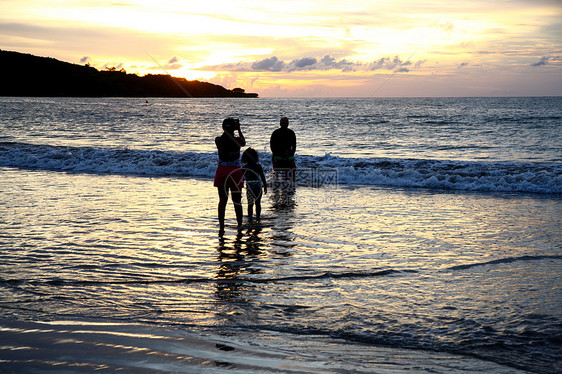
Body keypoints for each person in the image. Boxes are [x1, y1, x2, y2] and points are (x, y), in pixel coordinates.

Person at [214, 118, 245, 235]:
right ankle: (239, 225)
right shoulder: (237, 141)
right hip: (235, 172)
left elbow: (224, 135)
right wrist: (239, 129)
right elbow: (243, 142)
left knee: (222, 201)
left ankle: (221, 226)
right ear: (233, 128)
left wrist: (229, 128)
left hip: (222, 172)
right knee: (237, 201)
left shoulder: (218, 140)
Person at [241, 148, 267, 222]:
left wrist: (240, 187)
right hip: (258, 187)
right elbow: (262, 177)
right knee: (257, 203)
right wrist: (265, 186)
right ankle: (258, 218)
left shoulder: (244, 168)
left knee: (250, 204)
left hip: (250, 188)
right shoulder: (258, 166)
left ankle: (250, 218)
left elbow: (241, 179)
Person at [270, 117, 296, 183]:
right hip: (277, 155)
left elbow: (294, 146)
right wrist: (278, 153)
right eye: (283, 123)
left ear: (288, 124)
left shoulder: (291, 133)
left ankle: (291, 186)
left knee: (291, 174)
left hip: (288, 155)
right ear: (280, 124)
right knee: (276, 175)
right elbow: (272, 146)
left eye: (286, 123)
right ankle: (276, 185)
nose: (284, 124)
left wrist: (290, 154)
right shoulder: (275, 133)